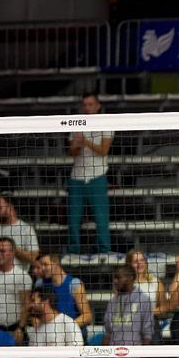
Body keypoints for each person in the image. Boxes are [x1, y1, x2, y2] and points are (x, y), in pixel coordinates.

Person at [67, 92, 113, 256]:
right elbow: (71, 153)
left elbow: (104, 150)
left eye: (90, 104)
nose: (87, 108)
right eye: (85, 105)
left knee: (101, 219)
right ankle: (73, 252)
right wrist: (76, 146)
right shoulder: (76, 123)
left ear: (98, 106)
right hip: (77, 177)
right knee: (73, 220)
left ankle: (104, 251)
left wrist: (84, 141)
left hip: (97, 176)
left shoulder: (106, 123)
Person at [35, 254, 93, 333]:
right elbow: (34, 313)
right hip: (50, 335)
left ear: (56, 263)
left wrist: (64, 328)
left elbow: (87, 317)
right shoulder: (40, 284)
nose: (42, 268)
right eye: (41, 265)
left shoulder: (74, 284)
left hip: (74, 335)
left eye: (45, 264)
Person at [0, 196, 38, 268]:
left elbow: (33, 258)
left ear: (10, 208)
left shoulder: (26, 229)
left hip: (18, 274)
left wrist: (11, 249)